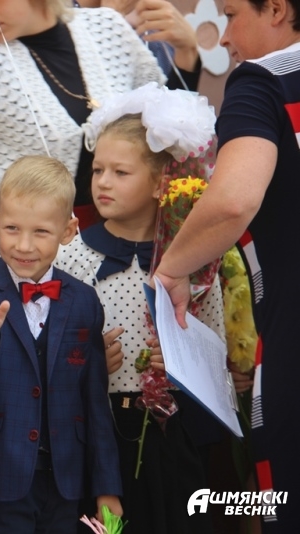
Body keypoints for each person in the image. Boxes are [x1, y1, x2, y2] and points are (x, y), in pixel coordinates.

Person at [153, 0, 300, 530]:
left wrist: (172, 268)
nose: (225, 36)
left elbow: (234, 200)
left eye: (232, 14)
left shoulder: (263, 80)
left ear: (276, 9)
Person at [56, 85, 225, 534]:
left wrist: (184, 365)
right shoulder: (71, 257)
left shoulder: (193, 261)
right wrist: (87, 360)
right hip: (98, 435)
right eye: (98, 170)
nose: (103, 182)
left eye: (120, 172)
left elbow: (218, 359)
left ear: (159, 183)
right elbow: (47, 350)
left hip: (173, 434)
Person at [0, 0, 185, 272]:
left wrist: (188, 54)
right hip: (22, 261)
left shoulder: (109, 29)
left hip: (121, 251)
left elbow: (169, 127)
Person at [0, 156, 122, 532]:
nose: (24, 245)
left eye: (40, 232)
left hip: (65, 482)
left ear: (68, 230)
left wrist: (107, 488)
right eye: (12, 228)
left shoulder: (84, 301)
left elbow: (94, 400)